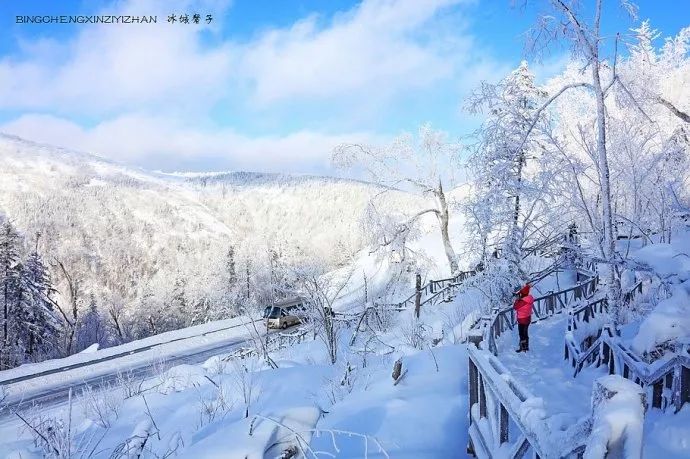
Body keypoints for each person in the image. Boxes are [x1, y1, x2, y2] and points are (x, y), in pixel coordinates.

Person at [513, 283, 534, 352]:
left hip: (522, 320)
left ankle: (523, 347)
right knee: (525, 333)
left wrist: (517, 300)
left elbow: (515, 307)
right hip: (527, 319)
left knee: (522, 334)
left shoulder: (522, 302)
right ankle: (526, 346)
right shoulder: (529, 299)